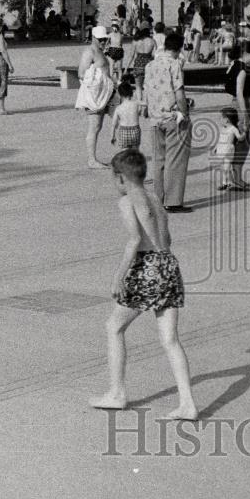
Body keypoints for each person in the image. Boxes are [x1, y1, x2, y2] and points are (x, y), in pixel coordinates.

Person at [90, 149, 196, 418]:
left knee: (114, 326)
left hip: (147, 267)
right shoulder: (155, 200)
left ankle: (117, 393)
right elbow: (167, 240)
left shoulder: (128, 201)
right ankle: (187, 404)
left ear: (120, 178)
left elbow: (135, 240)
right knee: (170, 339)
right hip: (169, 265)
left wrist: (119, 277)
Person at [143, 30, 192, 213]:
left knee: (159, 160)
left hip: (155, 118)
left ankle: (158, 199)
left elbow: (146, 91)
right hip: (173, 117)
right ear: (178, 49)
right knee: (176, 159)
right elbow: (179, 93)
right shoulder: (174, 64)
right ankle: (173, 201)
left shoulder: (150, 65)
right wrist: (185, 113)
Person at [76, 25, 116, 168]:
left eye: (105, 39)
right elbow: (81, 73)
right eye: (100, 39)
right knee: (95, 126)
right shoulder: (89, 52)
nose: (103, 42)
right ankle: (92, 160)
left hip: (107, 92)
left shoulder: (100, 50)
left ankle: (124, 155)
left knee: (121, 118)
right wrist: (97, 73)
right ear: (93, 38)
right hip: (95, 95)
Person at [224, 44, 250, 188]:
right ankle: (237, 178)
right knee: (243, 142)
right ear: (245, 53)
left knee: (233, 141)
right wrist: (244, 116)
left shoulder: (232, 65)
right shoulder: (242, 69)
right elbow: (240, 92)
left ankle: (230, 177)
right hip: (244, 104)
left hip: (233, 104)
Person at [212, 107, 247, 190]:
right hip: (221, 148)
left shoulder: (233, 129)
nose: (219, 119)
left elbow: (239, 137)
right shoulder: (223, 128)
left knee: (226, 167)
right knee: (222, 167)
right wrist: (216, 147)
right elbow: (220, 138)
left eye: (221, 118)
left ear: (227, 119)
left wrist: (244, 133)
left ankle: (227, 183)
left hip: (228, 150)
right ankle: (226, 182)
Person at [110, 80, 146, 150]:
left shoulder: (118, 108)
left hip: (123, 131)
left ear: (120, 94)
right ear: (131, 92)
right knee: (135, 153)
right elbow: (147, 103)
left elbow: (113, 124)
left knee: (124, 154)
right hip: (135, 130)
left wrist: (113, 136)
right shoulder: (136, 103)